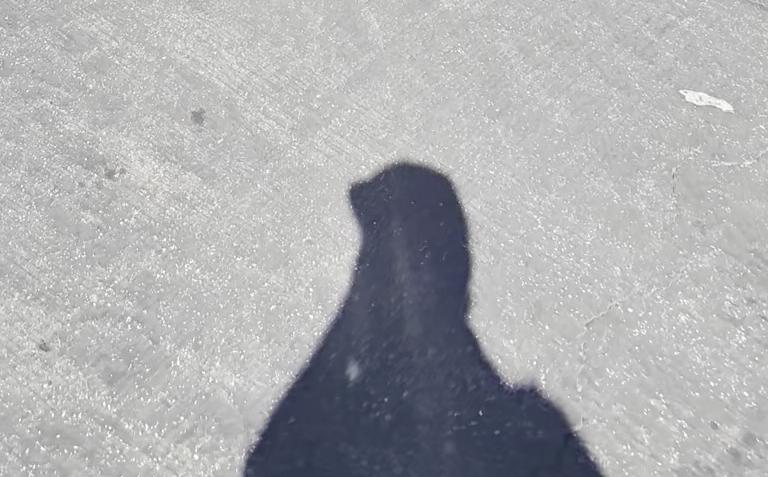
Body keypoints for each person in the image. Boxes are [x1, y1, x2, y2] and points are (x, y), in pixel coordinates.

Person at [244, 164, 606, 475]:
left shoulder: (347, 434)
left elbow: (269, 464)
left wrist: (352, 324)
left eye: (370, 265)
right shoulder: (529, 434)